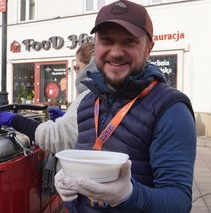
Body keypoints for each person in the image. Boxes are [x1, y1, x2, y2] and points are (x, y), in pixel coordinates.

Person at [54, 0, 196, 213]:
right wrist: (68, 191)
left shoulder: (171, 109)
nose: (116, 52)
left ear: (148, 48)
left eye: (129, 41)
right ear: (96, 44)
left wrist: (129, 195)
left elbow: (179, 202)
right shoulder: (86, 103)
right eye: (107, 40)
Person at [0, 41, 95, 153]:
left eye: (78, 68)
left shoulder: (90, 96)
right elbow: (78, 130)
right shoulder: (92, 94)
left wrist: (15, 120)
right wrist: (65, 118)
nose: (76, 73)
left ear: (90, 67)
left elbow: (54, 138)